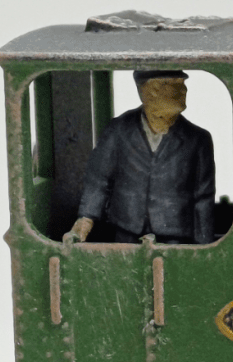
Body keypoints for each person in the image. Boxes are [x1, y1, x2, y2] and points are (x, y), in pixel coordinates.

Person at [65, 70, 215, 245]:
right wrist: (85, 219)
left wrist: (205, 247)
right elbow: (98, 179)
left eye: (182, 84)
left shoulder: (198, 139)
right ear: (149, 92)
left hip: (174, 236)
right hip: (126, 231)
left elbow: (203, 198)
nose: (184, 90)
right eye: (173, 84)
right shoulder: (118, 130)